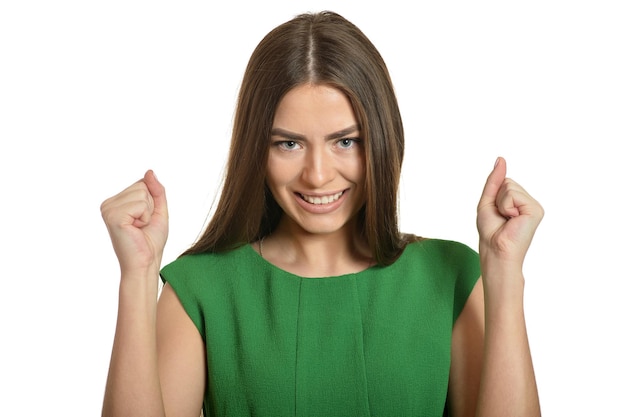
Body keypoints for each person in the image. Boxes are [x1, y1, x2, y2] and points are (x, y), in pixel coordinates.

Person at [100, 11, 543, 417]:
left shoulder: (449, 276)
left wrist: (504, 274)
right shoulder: (200, 291)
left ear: (382, 141)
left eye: (345, 141)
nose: (317, 175)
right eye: (288, 143)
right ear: (257, 148)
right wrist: (137, 276)